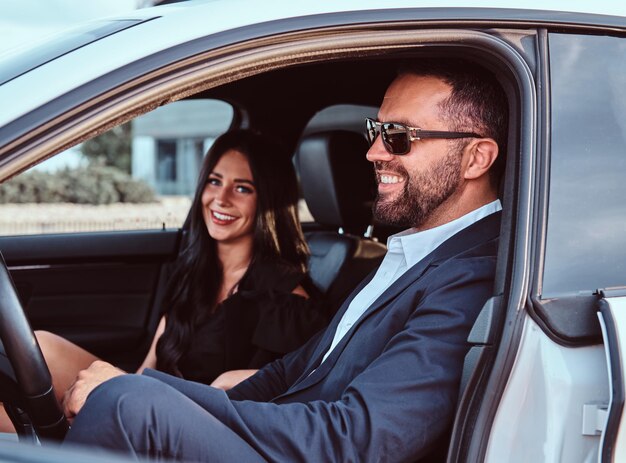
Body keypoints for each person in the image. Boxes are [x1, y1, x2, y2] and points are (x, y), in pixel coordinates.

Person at [63, 59, 508, 462]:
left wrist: (146, 390)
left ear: (475, 158)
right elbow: (291, 371)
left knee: (128, 405)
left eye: (398, 138)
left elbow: (356, 440)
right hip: (298, 439)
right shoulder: (410, 252)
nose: (373, 152)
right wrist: (175, 392)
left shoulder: (471, 273)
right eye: (376, 132)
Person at [0, 129, 328, 431]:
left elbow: (286, 399)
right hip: (149, 401)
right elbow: (147, 369)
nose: (221, 198)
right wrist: (117, 392)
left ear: (267, 199)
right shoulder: (194, 274)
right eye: (214, 181)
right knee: (37, 349)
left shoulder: (287, 300)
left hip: (192, 428)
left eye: (242, 188)